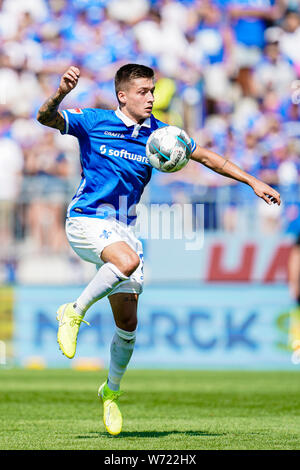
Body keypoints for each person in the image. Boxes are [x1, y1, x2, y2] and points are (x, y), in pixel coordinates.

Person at [37, 63, 281, 436]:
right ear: (123, 95)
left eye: (152, 91)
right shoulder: (94, 121)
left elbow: (207, 157)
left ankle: (111, 393)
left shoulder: (161, 135)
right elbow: (45, 117)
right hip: (85, 219)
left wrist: (252, 181)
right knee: (128, 261)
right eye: (143, 92)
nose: (151, 98)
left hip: (124, 229)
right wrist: (61, 92)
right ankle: (73, 311)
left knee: (128, 324)